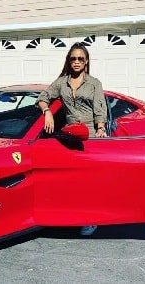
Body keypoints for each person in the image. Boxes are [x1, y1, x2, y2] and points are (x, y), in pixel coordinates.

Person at [36, 42, 108, 236]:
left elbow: (100, 109)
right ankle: (70, 214)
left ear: (86, 62)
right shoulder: (61, 82)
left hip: (90, 136)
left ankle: (90, 219)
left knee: (90, 181)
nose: (76, 62)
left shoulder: (94, 83)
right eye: (73, 58)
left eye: (80, 59)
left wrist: (101, 128)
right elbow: (43, 97)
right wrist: (48, 111)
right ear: (69, 61)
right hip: (69, 136)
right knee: (73, 179)